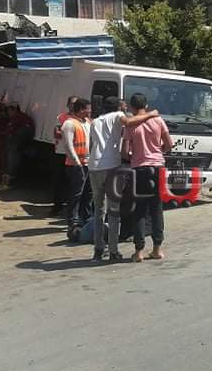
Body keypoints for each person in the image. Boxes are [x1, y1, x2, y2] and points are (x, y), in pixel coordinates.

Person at [88, 96, 159, 262]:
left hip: (94, 167)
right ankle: (113, 251)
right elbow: (129, 122)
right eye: (124, 107)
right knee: (113, 210)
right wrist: (151, 114)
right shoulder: (117, 116)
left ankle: (98, 249)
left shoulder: (94, 121)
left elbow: (91, 145)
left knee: (98, 210)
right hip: (111, 166)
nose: (126, 110)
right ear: (118, 108)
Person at [124, 93, 171, 263]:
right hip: (158, 167)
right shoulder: (158, 120)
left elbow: (125, 152)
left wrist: (135, 157)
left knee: (139, 210)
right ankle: (157, 249)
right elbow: (169, 144)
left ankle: (138, 252)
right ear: (146, 105)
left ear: (132, 107)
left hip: (139, 169)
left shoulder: (130, 125)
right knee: (156, 208)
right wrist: (158, 152)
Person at [62, 98, 93, 241]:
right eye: (88, 108)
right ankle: (73, 222)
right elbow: (68, 146)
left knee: (88, 194)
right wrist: (77, 163)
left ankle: (86, 219)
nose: (90, 111)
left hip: (88, 164)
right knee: (76, 194)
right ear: (81, 109)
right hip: (76, 166)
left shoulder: (88, 122)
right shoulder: (69, 124)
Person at [0, 103, 34, 189]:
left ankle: (7, 182)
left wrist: (4, 134)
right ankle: (6, 181)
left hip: (16, 143)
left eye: (9, 111)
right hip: (20, 142)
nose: (8, 113)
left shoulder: (18, 118)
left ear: (14, 110)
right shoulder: (22, 118)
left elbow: (10, 131)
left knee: (10, 157)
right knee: (9, 156)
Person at [51, 96, 79, 216]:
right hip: (61, 153)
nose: (74, 105)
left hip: (75, 154)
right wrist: (68, 133)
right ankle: (57, 206)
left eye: (76, 103)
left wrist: (64, 132)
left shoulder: (82, 118)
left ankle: (72, 209)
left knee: (73, 182)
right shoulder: (61, 117)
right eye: (72, 103)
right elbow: (56, 134)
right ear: (68, 105)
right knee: (58, 180)